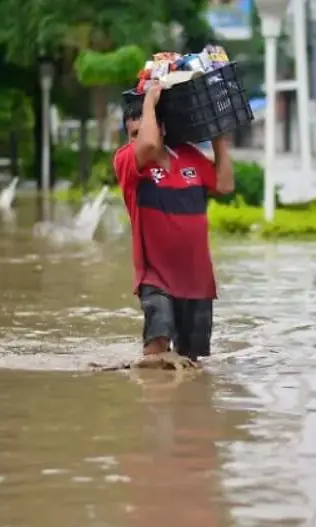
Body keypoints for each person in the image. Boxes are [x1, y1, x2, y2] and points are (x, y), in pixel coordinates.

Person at [112, 84, 235, 370]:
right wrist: (150, 101)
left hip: (197, 279)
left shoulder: (189, 157)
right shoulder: (127, 161)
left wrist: (218, 138)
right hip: (155, 277)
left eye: (144, 130)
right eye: (133, 135)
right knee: (156, 355)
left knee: (192, 363)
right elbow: (149, 146)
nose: (138, 141)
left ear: (162, 127)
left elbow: (225, 185)